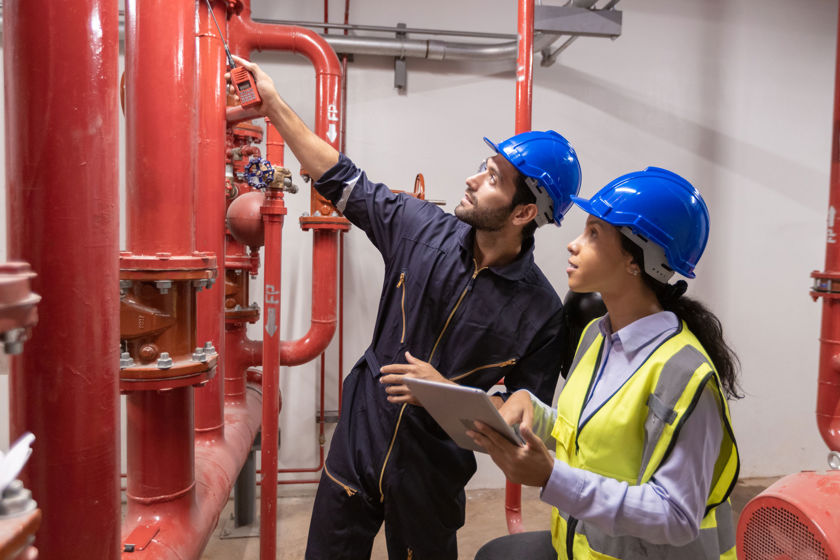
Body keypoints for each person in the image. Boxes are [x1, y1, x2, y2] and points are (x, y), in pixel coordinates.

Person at [227, 56, 582, 559]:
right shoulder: (420, 229)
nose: (473, 179)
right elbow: (342, 180)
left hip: (431, 473)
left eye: (493, 178)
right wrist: (275, 106)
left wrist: (449, 395)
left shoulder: (541, 313)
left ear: (524, 212)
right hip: (359, 442)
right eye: (484, 167)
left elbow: (522, 417)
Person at [469, 167, 741, 560]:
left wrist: (551, 477)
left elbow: (678, 516)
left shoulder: (685, 374)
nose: (573, 245)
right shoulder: (597, 335)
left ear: (637, 259)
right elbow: (587, 437)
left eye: (594, 234)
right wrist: (530, 408)